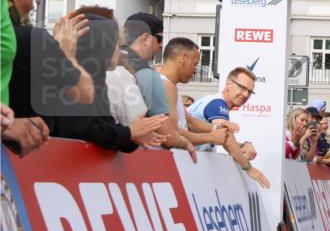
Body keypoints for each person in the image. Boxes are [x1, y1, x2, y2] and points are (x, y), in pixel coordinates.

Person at [47, 10, 167, 151]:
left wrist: (132, 137)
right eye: (115, 43)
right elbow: (82, 129)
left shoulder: (98, 78)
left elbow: (107, 128)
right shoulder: (70, 79)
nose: (119, 50)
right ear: (98, 46)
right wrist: (129, 132)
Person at [188, 66, 271, 187]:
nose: (245, 94)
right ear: (228, 83)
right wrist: (249, 169)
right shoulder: (217, 103)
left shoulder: (215, 102)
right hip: (186, 165)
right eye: (242, 87)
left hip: (190, 165)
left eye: (249, 91)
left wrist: (243, 145)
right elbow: (227, 139)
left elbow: (221, 136)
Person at [157, 37, 229, 151]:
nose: (195, 70)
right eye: (195, 64)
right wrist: (210, 137)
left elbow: (189, 122)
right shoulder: (165, 85)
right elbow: (172, 133)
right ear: (184, 58)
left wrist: (217, 128)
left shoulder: (169, 85)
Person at [120, 13, 170, 118]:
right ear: (146, 38)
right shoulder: (148, 75)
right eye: (159, 39)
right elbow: (164, 130)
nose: (161, 45)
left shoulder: (105, 66)